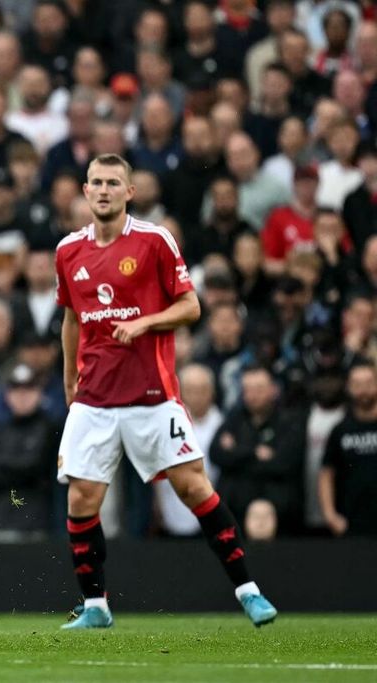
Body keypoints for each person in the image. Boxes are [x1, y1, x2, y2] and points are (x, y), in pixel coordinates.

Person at [53, 154, 277, 629]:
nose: (105, 190)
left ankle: (249, 590)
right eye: (96, 182)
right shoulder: (68, 250)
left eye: (114, 182)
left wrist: (145, 322)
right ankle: (95, 606)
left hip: (152, 396)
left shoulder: (154, 241)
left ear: (129, 191)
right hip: (94, 398)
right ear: (86, 191)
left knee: (194, 488)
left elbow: (191, 306)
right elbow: (71, 317)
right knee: (81, 500)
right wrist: (69, 376)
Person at [319, 363, 377, 537]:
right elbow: (326, 473)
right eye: (357, 384)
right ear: (349, 388)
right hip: (351, 523)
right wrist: (330, 515)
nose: (363, 390)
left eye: (368, 383)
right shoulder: (340, 430)